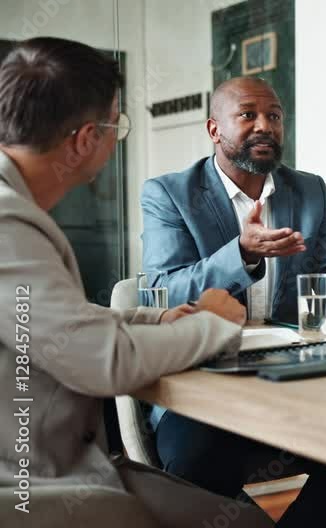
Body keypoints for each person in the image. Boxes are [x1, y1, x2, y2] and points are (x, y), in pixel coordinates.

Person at [0, 37, 271, 528]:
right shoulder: (7, 222)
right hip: (30, 487)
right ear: (85, 139)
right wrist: (215, 322)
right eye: (116, 126)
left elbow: (57, 325)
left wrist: (160, 317)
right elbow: (103, 361)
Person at [139, 77, 326, 525]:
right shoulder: (169, 194)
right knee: (195, 464)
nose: (264, 125)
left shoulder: (307, 190)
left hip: (290, 382)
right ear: (214, 129)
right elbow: (164, 291)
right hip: (202, 386)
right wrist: (242, 254)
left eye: (274, 116)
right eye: (248, 114)